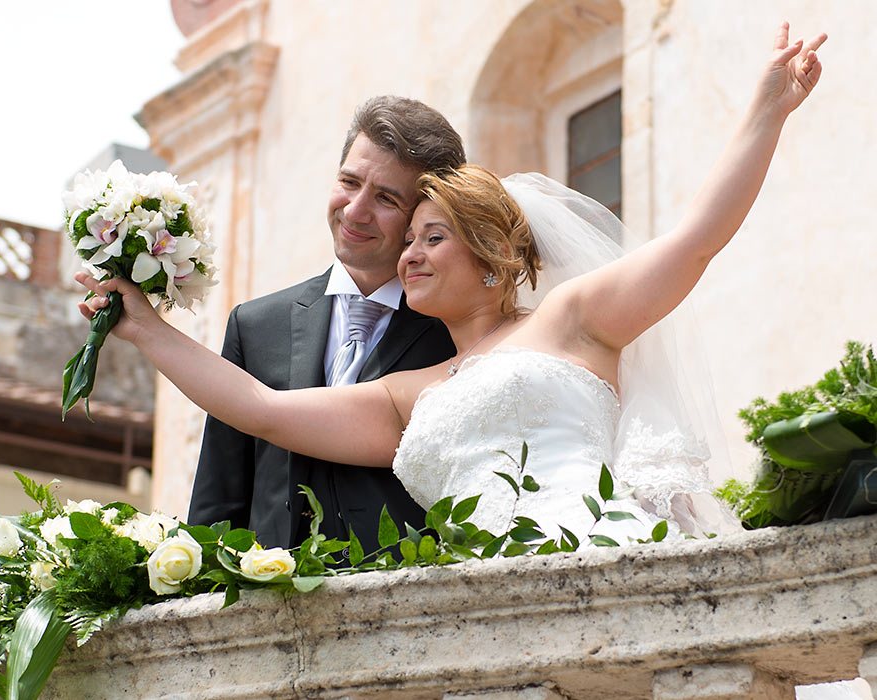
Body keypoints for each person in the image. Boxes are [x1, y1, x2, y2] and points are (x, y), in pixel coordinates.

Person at [77, 23, 825, 543]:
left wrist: (766, 111)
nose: (407, 256)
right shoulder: (413, 391)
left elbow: (695, 242)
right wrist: (145, 327)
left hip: (602, 556)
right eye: (409, 243)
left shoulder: (571, 319)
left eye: (430, 237)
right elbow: (261, 409)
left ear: (494, 255)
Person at [186, 97, 462, 552]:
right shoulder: (255, 326)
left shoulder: (454, 335)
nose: (355, 211)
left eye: (386, 198)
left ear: (422, 214)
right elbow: (217, 508)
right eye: (349, 182)